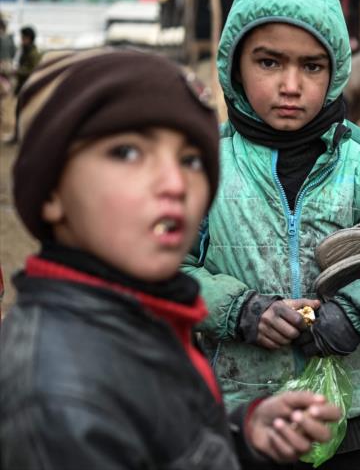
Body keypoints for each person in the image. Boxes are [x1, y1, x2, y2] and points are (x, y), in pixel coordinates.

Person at [0, 48, 341, 469]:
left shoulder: (148, 316)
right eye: (127, 152)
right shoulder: (57, 396)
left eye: (191, 160)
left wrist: (239, 439)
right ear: (51, 191)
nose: (176, 183)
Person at [180, 0, 360, 467]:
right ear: (234, 66)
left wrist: (354, 313)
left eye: (312, 65)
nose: (291, 86)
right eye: (269, 61)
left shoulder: (359, 159)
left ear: (336, 70)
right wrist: (241, 311)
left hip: (348, 415)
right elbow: (163, 269)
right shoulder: (207, 163)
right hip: (242, 414)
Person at [14, 26, 39, 95]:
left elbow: (34, 70)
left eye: (23, 38)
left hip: (28, 87)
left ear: (29, 39)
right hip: (22, 85)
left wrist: (17, 71)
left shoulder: (33, 53)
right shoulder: (24, 50)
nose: (21, 40)